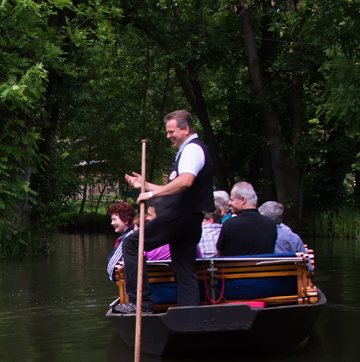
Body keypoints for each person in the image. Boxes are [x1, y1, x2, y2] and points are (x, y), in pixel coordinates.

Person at [114, 109, 215, 314]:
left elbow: (185, 182)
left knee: (132, 243)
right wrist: (145, 185)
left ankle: (141, 303)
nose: (168, 136)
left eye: (171, 132)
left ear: (185, 129)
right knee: (184, 269)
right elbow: (173, 187)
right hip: (190, 221)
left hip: (178, 217)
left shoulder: (192, 150)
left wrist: (151, 196)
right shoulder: (191, 150)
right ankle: (190, 314)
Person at [215, 182, 277, 256]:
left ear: (243, 200)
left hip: (235, 267)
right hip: (264, 267)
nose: (230, 203)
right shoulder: (271, 224)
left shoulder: (229, 224)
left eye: (232, 199)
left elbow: (220, 254)